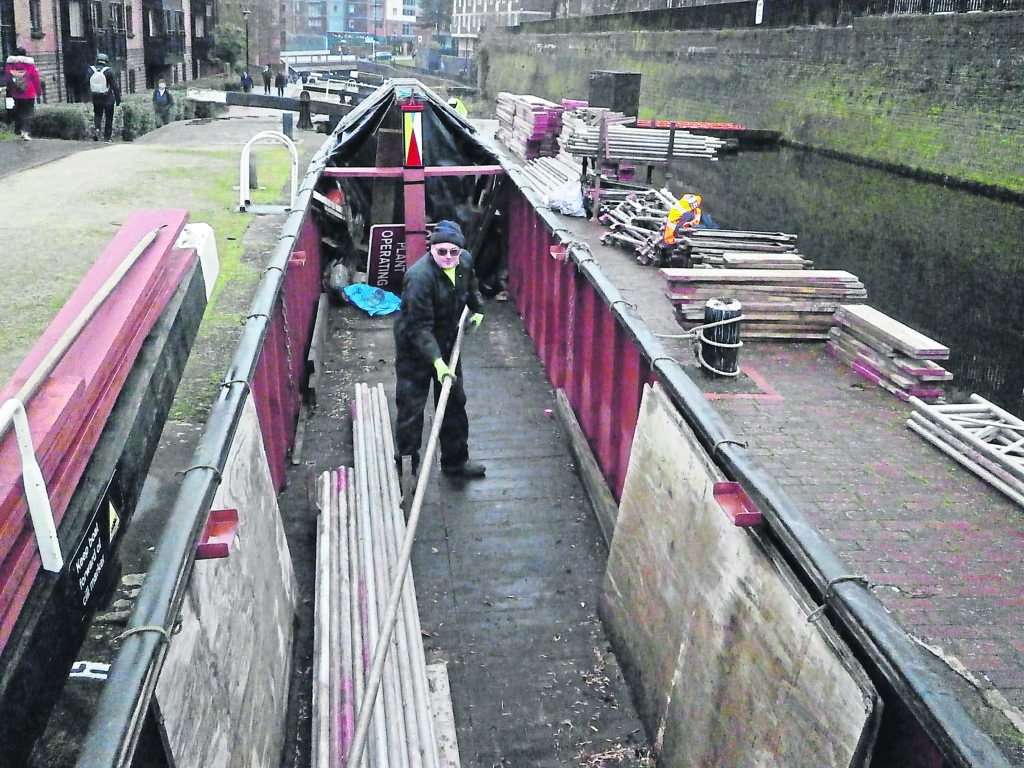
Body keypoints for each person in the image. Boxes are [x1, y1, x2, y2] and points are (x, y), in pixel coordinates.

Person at [393, 220, 486, 479]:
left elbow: (471, 288)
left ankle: (455, 461)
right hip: (415, 347)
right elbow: (420, 328)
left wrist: (478, 311)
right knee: (411, 409)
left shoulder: (464, 262)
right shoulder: (419, 278)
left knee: (455, 402)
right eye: (441, 251)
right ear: (431, 249)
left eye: (452, 252)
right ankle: (407, 472)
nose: (447, 257)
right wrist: (437, 363)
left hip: (447, 340)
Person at [4, 47, 41, 141]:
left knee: (18, 111)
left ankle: (18, 129)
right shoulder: (30, 65)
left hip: (16, 94)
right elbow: (36, 78)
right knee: (28, 112)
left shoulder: (10, 65)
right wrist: (39, 91)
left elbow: (8, 79)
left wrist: (11, 90)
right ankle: (25, 132)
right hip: (29, 93)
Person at [88, 53, 121, 142]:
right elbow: (114, 86)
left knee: (98, 115)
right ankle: (107, 137)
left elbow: (87, 83)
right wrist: (118, 99)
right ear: (106, 61)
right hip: (108, 98)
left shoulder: (91, 70)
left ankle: (97, 128)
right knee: (108, 117)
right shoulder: (108, 71)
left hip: (96, 97)